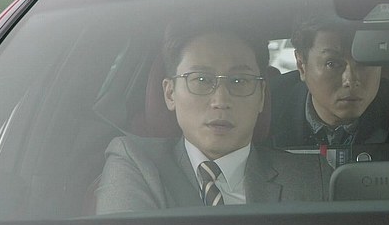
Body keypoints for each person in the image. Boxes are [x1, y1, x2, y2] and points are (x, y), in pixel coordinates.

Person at [94, 20, 328, 214]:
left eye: (239, 81)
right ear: (170, 93)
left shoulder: (309, 177)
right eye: (201, 80)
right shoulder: (137, 163)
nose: (221, 100)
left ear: (261, 96)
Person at [269, 17, 389, 159]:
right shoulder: (268, 109)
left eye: (364, 62)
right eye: (332, 64)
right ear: (301, 65)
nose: (350, 80)